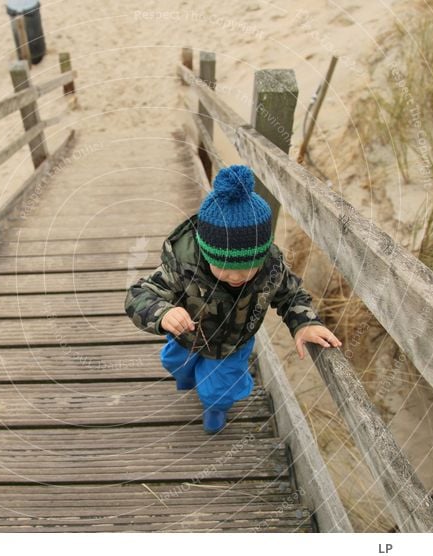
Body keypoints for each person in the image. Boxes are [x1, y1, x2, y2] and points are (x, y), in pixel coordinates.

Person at [124, 164, 342, 434]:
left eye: (248, 267)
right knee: (175, 363)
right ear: (206, 253)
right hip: (188, 335)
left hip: (232, 343)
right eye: (224, 266)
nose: (237, 276)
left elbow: (291, 293)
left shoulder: (270, 268)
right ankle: (190, 376)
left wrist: (304, 322)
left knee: (218, 388)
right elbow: (138, 295)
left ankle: (215, 406)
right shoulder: (183, 265)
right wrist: (163, 313)